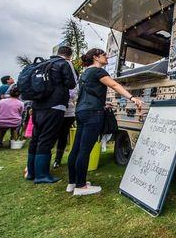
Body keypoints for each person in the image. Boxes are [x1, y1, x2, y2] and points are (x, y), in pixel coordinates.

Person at [67, 48, 142, 196]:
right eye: (104, 55)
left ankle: (72, 182)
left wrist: (102, 104)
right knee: (85, 150)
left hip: (81, 111)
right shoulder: (98, 71)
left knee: (76, 148)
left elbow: (87, 94)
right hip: (92, 113)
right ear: (96, 57)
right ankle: (81, 186)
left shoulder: (85, 73)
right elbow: (114, 85)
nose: (107, 57)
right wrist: (132, 98)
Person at [26, 46, 76, 184]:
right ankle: (41, 175)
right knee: (47, 139)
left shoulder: (43, 64)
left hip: (37, 106)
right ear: (69, 55)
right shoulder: (64, 64)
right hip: (54, 106)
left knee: (36, 138)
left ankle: (31, 172)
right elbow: (72, 84)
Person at [53, 64, 78, 168]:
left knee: (61, 136)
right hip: (59, 111)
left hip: (67, 113)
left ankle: (57, 160)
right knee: (54, 135)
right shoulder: (59, 81)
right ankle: (50, 159)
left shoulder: (75, 84)